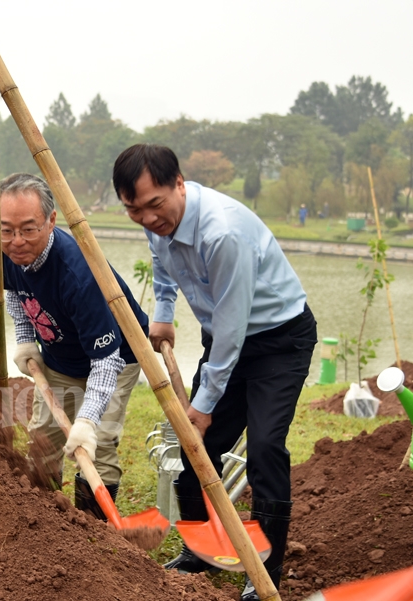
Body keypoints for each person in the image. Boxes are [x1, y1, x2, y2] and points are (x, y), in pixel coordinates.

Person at [113, 144, 317, 601]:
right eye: (133, 210)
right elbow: (164, 265)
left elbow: (231, 328)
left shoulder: (222, 233)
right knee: (196, 444)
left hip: (278, 342)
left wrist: (204, 404)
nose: (146, 218)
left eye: (154, 205)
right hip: (226, 338)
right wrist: (162, 312)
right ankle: (198, 550)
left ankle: (264, 569)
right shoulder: (156, 224)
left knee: (265, 446)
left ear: (179, 184)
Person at [0, 173, 149, 518]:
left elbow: (106, 361)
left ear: (51, 221)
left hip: (116, 357)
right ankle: (47, 524)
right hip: (60, 356)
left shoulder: (79, 276)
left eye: (28, 229)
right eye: (7, 230)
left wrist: (86, 420)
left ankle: (93, 533)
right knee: (43, 439)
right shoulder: (6, 250)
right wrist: (26, 339)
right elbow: (15, 294)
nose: (16, 241)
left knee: (98, 440)